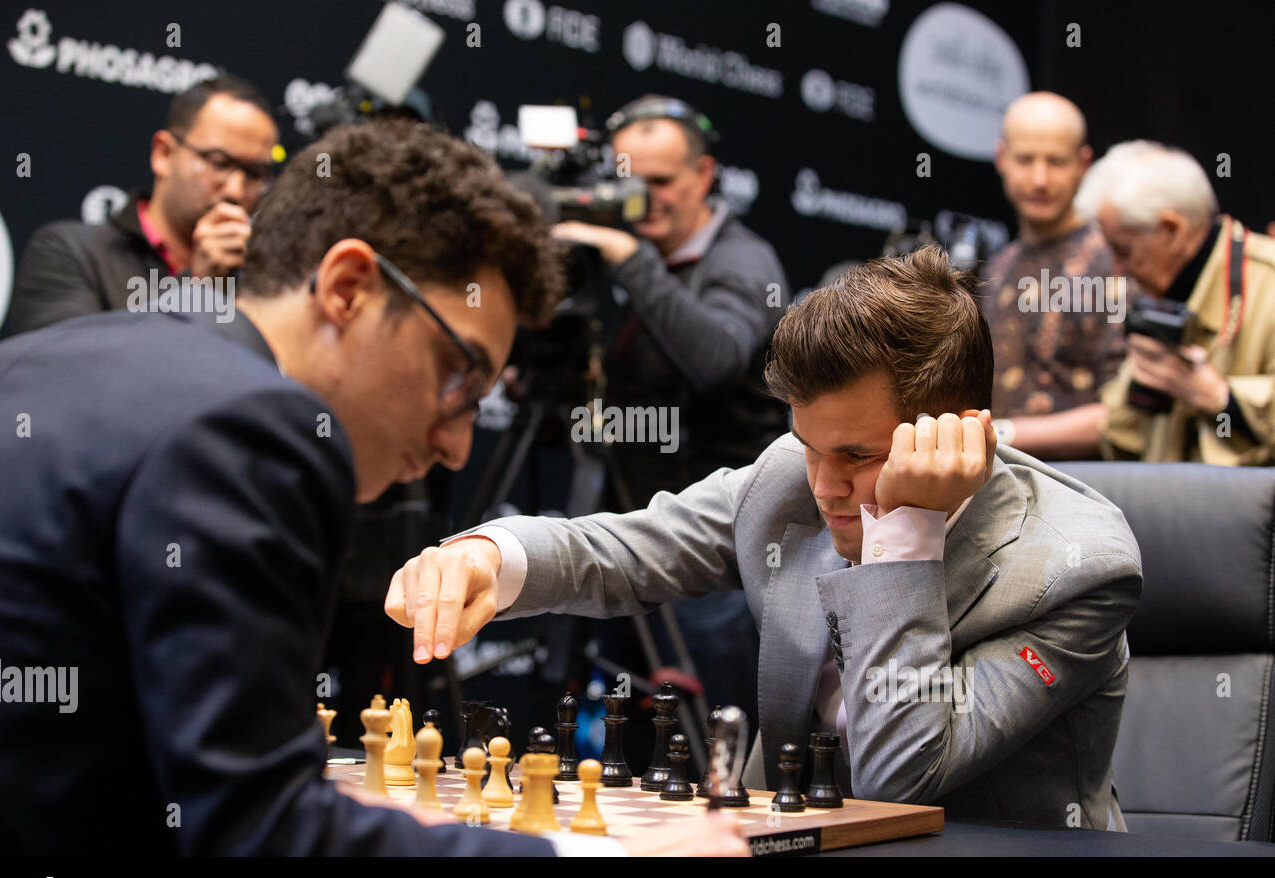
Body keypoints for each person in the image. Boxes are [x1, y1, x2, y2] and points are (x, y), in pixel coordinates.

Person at [0, 117, 747, 857]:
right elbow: (260, 837)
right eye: (460, 375)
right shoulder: (254, 426)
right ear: (346, 286)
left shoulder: (35, 362)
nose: (456, 448)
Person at [389, 247, 1143, 830]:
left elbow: (899, 776)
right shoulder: (792, 480)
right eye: (809, 446)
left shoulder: (1078, 568)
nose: (821, 486)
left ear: (961, 437)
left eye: (856, 456)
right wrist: (486, 555)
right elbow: (620, 551)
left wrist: (903, 529)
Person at [548, 94, 788, 726]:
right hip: (637, 532)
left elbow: (716, 360)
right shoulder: (626, 256)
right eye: (630, 181)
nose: (645, 198)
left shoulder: (740, 259)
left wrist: (633, 264)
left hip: (715, 549)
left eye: (662, 181)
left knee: (717, 747)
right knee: (635, 739)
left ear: (704, 176)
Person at [0, 75, 277, 340]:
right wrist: (198, 290)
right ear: (163, 154)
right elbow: (68, 375)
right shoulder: (70, 253)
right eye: (219, 163)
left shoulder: (263, 285)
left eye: (255, 173)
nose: (235, 190)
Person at [1080, 141, 1275, 464]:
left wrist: (1215, 396)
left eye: (1124, 250)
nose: (1118, 269)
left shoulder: (1267, 281)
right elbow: (1117, 433)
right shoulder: (1166, 292)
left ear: (1171, 230)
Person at [978, 92, 1125, 460]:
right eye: (1026, 160)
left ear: (1083, 163)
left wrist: (1003, 433)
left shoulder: (1116, 260)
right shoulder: (997, 268)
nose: (1039, 179)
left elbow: (1129, 417)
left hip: (1088, 490)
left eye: (1056, 162)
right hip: (999, 487)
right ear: (1002, 159)